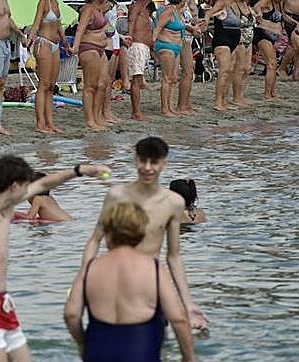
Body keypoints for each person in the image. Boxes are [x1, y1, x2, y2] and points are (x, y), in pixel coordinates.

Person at [0, 152, 110, 362]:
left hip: (4, 303)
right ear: (14, 185)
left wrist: (80, 170)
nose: (29, 191)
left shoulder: (6, 206)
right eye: (25, 186)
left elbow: (45, 183)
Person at [66, 201, 202, 362]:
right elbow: (178, 319)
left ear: (108, 233)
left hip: (99, 354)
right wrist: (188, 358)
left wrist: (83, 344)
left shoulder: (91, 268)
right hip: (141, 353)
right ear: (141, 232)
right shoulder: (154, 269)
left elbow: (71, 314)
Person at [82, 136, 208, 329]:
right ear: (135, 161)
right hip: (117, 280)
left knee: (157, 344)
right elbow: (94, 240)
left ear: (164, 163)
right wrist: (85, 277)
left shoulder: (173, 203)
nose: (148, 167)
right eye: (143, 161)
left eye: (154, 162)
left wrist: (188, 304)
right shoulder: (117, 196)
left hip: (151, 282)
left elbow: (174, 257)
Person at [28, 0, 65, 135]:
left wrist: (66, 44)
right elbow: (36, 23)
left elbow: (59, 26)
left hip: (56, 46)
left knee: (51, 86)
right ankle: (40, 123)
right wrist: (29, 39)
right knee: (43, 85)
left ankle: (50, 123)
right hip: (43, 43)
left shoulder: (56, 3)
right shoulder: (43, 3)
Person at [74, 0, 112, 132]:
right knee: (90, 85)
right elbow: (80, 28)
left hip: (100, 48)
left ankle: (97, 117)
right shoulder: (88, 9)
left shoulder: (98, 9)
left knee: (103, 84)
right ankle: (90, 120)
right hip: (89, 48)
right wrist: (75, 46)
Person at [205, 0, 242, 112]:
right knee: (224, 71)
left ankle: (224, 100)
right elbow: (209, 13)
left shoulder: (235, 4)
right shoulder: (222, 2)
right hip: (222, 41)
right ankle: (218, 101)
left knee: (230, 71)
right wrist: (205, 24)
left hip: (232, 41)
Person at [253, 0, 292, 101]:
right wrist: (259, 14)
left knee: (273, 64)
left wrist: (296, 23)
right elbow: (257, 6)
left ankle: (272, 92)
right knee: (271, 64)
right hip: (262, 34)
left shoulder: (279, 3)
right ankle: (267, 94)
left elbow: (282, 16)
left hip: (272, 34)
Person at [175, 0, 204, 115]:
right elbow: (179, 21)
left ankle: (186, 103)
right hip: (183, 39)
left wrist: (195, 22)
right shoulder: (181, 3)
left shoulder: (185, 2)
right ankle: (182, 105)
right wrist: (192, 27)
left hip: (186, 38)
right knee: (187, 72)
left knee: (189, 72)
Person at [127, 0, 154, 121]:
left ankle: (137, 111)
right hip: (137, 45)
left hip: (142, 47)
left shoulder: (143, 8)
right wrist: (130, 37)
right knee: (136, 80)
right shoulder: (137, 6)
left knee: (139, 79)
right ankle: (136, 112)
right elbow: (131, 22)